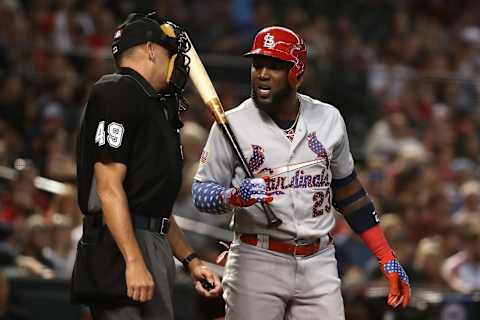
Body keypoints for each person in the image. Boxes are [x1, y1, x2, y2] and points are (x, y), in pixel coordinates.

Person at [192, 26, 410, 319]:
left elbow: (349, 194)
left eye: (276, 66)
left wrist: (386, 256)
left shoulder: (329, 119)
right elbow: (200, 193)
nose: (263, 74)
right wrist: (232, 196)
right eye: (258, 64)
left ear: (297, 73)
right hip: (257, 259)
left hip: (318, 262)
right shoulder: (231, 124)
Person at [74, 12, 221, 320]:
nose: (177, 64)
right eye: (170, 53)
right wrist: (133, 260)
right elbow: (108, 187)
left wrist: (192, 260)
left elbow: (155, 208)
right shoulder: (118, 90)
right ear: (151, 49)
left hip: (150, 242)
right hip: (121, 248)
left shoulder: (153, 105)